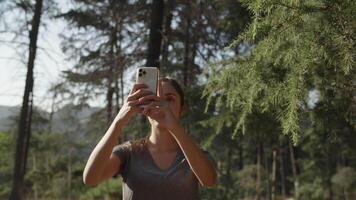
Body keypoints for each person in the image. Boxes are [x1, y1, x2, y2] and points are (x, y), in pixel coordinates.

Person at [83, 77, 217, 200]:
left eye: (169, 99)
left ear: (182, 109)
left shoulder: (193, 155)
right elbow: (90, 178)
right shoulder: (129, 153)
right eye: (154, 98)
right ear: (143, 104)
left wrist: (175, 128)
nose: (160, 104)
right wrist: (119, 120)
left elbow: (209, 180)